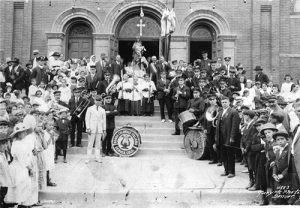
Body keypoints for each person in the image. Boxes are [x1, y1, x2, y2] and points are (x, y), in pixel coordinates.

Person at [215, 96, 241, 178]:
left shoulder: (233, 112)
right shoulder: (220, 112)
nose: (224, 104)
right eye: (222, 102)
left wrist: (232, 137)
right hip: (221, 137)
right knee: (223, 154)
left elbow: (235, 126)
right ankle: (226, 170)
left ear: (229, 102)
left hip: (229, 136)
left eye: (225, 102)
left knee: (230, 155)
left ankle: (231, 172)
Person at [85, 95, 106, 163]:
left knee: (98, 144)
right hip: (91, 129)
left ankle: (97, 157)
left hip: (99, 129)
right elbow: (87, 119)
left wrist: (104, 129)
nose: (98, 102)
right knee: (90, 144)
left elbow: (104, 120)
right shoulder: (90, 108)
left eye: (99, 100)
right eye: (96, 100)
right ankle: (88, 158)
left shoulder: (102, 110)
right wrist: (88, 128)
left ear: (101, 101)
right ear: (94, 101)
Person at [240, 110, 258, 189]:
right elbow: (243, 137)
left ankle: (254, 183)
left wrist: (246, 148)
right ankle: (251, 181)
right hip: (246, 149)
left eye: (244, 115)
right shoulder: (247, 125)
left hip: (250, 149)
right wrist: (241, 147)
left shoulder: (253, 125)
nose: (243, 116)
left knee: (252, 167)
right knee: (249, 167)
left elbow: (251, 139)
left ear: (248, 116)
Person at [0, 120, 13, 207]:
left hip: (5, 161)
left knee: (5, 184)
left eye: (5, 127)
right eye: (1, 128)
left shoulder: (8, 138)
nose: (3, 129)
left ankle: (2, 201)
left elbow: (8, 150)